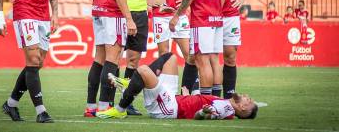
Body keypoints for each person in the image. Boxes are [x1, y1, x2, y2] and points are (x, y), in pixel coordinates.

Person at [96, 53, 258, 120]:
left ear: (243, 108)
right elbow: (203, 103)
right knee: (170, 58)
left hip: (169, 108)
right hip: (176, 99)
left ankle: (120, 109)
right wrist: (189, 97)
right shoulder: (226, 103)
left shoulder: (227, 109)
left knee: (143, 70)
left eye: (248, 100)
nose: (246, 96)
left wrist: (203, 112)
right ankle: (131, 85)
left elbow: (203, 115)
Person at [123, 0, 171, 115]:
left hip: (140, 16)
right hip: (119, 14)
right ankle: (105, 100)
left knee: (133, 60)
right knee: (110, 59)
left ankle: (125, 102)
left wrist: (161, 2)